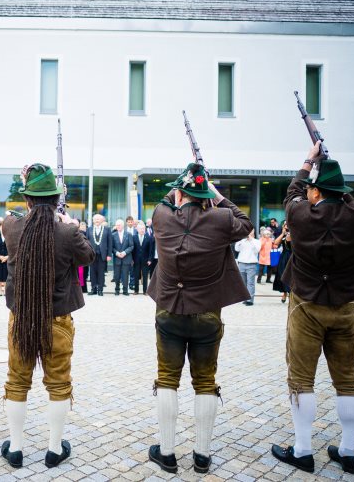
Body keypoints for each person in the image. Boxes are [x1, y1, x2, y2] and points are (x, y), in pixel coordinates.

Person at [270, 142, 354, 475]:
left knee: (302, 379)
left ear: (315, 191)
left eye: (313, 190)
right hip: (346, 305)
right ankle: (348, 450)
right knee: (347, 380)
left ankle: (302, 450)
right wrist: (332, 183)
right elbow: (347, 202)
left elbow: (292, 193)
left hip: (306, 304)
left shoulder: (300, 213)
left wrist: (308, 163)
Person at [146, 163, 252, 474]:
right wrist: (215, 194)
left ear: (179, 193)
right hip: (207, 312)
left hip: (169, 309)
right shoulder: (221, 219)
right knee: (205, 382)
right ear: (204, 195)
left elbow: (170, 199)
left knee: (167, 378)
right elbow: (245, 223)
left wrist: (188, 185)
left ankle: (166, 453)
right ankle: (202, 455)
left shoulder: (161, 215)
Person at [0, 163, 94, 469]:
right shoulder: (67, 232)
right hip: (58, 320)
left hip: (22, 318)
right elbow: (89, 256)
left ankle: (15, 448)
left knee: (17, 381)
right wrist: (71, 224)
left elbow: (26, 218)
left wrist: (27, 180)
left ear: (27, 199)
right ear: (56, 201)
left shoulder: (11, 227)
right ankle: (54, 450)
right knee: (58, 384)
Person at [86, 214, 112, 296]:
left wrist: (109, 255)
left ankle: (100, 290)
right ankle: (93, 289)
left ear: (101, 220)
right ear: (93, 220)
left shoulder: (107, 229)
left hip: (102, 255)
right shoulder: (89, 229)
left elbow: (110, 243)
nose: (97, 221)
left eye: (98, 219)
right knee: (92, 272)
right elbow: (86, 242)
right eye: (95, 219)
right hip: (92, 254)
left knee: (101, 273)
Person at [234, 231, 260, 305]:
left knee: (250, 283)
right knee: (243, 283)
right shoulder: (242, 240)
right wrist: (240, 239)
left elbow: (257, 250)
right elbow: (236, 249)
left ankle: (250, 300)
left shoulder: (257, 241)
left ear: (253, 232)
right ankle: (245, 298)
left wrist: (251, 240)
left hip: (251, 264)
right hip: (241, 263)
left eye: (250, 231)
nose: (248, 232)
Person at [111, 219, 134, 296]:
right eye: (117, 225)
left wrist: (124, 252)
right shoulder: (113, 235)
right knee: (117, 276)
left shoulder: (129, 234)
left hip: (126, 258)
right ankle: (117, 290)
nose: (118, 226)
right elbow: (112, 247)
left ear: (123, 225)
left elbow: (131, 246)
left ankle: (125, 290)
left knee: (125, 275)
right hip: (117, 258)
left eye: (119, 225)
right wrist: (116, 253)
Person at [272, 221, 292, 303]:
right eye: (284, 224)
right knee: (282, 275)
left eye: (287, 224)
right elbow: (275, 243)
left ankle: (291, 294)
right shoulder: (284, 234)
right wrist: (282, 234)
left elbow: (289, 242)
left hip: (291, 256)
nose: (285, 225)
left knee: (291, 276)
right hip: (283, 257)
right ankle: (284, 293)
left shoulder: (294, 233)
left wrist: (288, 233)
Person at [132, 222, 152, 294]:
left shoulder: (149, 238)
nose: (142, 230)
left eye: (143, 228)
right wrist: (132, 259)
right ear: (137, 229)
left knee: (145, 276)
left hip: (145, 260)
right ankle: (136, 290)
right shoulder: (134, 237)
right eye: (140, 229)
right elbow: (132, 250)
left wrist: (150, 259)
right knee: (136, 275)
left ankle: (145, 291)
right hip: (136, 260)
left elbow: (150, 250)